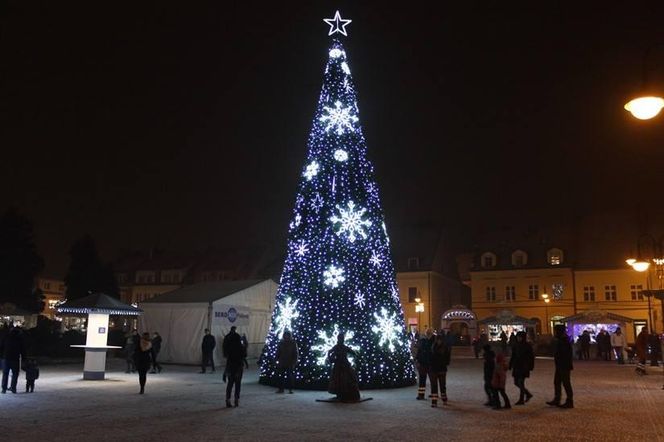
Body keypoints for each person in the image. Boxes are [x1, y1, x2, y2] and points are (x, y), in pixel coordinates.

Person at [327, 332, 360, 402]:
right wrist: (330, 357)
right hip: (339, 365)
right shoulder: (336, 347)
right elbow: (330, 352)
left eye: (342, 338)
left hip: (344, 364)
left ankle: (346, 393)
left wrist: (355, 356)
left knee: (346, 378)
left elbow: (352, 352)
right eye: (341, 338)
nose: (342, 340)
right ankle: (340, 393)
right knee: (339, 379)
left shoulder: (344, 347)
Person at [547, 324, 574, 409]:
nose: (554, 333)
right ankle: (557, 399)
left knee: (566, 383)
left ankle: (569, 401)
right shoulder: (560, 340)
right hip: (560, 365)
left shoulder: (564, 341)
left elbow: (565, 354)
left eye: (555, 331)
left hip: (564, 366)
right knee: (557, 382)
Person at [223, 326, 246, 407]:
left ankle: (228, 400)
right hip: (238, 368)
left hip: (231, 368)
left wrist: (225, 372)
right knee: (237, 385)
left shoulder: (230, 348)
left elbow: (228, 360)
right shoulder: (241, 348)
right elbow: (244, 356)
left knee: (230, 384)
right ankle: (236, 399)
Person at [509, 331, 534, 405]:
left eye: (520, 337)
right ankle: (528, 394)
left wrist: (530, 366)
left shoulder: (527, 346)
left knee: (520, 382)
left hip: (523, 366)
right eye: (518, 337)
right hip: (517, 366)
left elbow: (531, 357)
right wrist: (510, 365)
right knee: (516, 382)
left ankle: (521, 399)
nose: (518, 338)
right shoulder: (516, 345)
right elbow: (513, 356)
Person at [1, 326, 26, 394]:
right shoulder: (19, 338)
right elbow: (23, 349)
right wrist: (24, 358)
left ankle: (4, 389)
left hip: (6, 358)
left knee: (5, 374)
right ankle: (13, 388)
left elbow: (1, 347)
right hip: (15, 358)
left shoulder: (6, 337)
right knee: (15, 374)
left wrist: (2, 356)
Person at [429, 333, 451, 407]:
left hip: (441, 369)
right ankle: (434, 401)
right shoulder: (433, 347)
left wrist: (445, 363)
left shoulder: (444, 347)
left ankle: (444, 399)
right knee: (434, 386)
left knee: (442, 385)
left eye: (440, 340)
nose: (439, 341)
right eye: (438, 340)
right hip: (434, 369)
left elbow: (448, 358)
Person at [414, 329, 433, 400]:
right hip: (425, 363)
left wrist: (417, 359)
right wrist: (417, 359)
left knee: (426, 380)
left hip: (428, 363)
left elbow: (419, 351)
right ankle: (422, 394)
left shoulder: (425, 341)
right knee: (424, 380)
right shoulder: (430, 341)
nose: (428, 334)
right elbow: (419, 351)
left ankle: (423, 394)